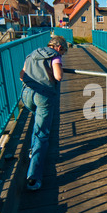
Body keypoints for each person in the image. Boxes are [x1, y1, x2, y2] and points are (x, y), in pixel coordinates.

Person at [20, 36, 67, 190]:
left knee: (38, 123)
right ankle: (33, 177)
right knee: (42, 136)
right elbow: (58, 76)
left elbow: (22, 75)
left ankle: (33, 151)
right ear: (59, 47)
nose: (62, 54)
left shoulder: (33, 53)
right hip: (43, 96)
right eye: (63, 51)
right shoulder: (55, 56)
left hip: (27, 95)